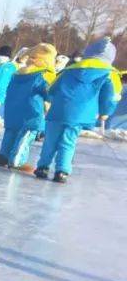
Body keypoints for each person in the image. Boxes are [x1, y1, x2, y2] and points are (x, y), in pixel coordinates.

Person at [34, 37, 121, 183]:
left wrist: (50, 99)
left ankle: (42, 167)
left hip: (58, 111)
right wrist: (106, 111)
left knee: (50, 140)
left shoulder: (70, 69)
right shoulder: (108, 73)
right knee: (68, 142)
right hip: (79, 115)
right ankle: (61, 171)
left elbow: (52, 88)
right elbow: (110, 96)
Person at [0, 42, 56, 172]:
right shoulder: (42, 75)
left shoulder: (18, 73)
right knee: (26, 135)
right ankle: (17, 161)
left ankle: (3, 157)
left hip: (13, 109)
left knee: (10, 132)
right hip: (31, 111)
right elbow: (49, 93)